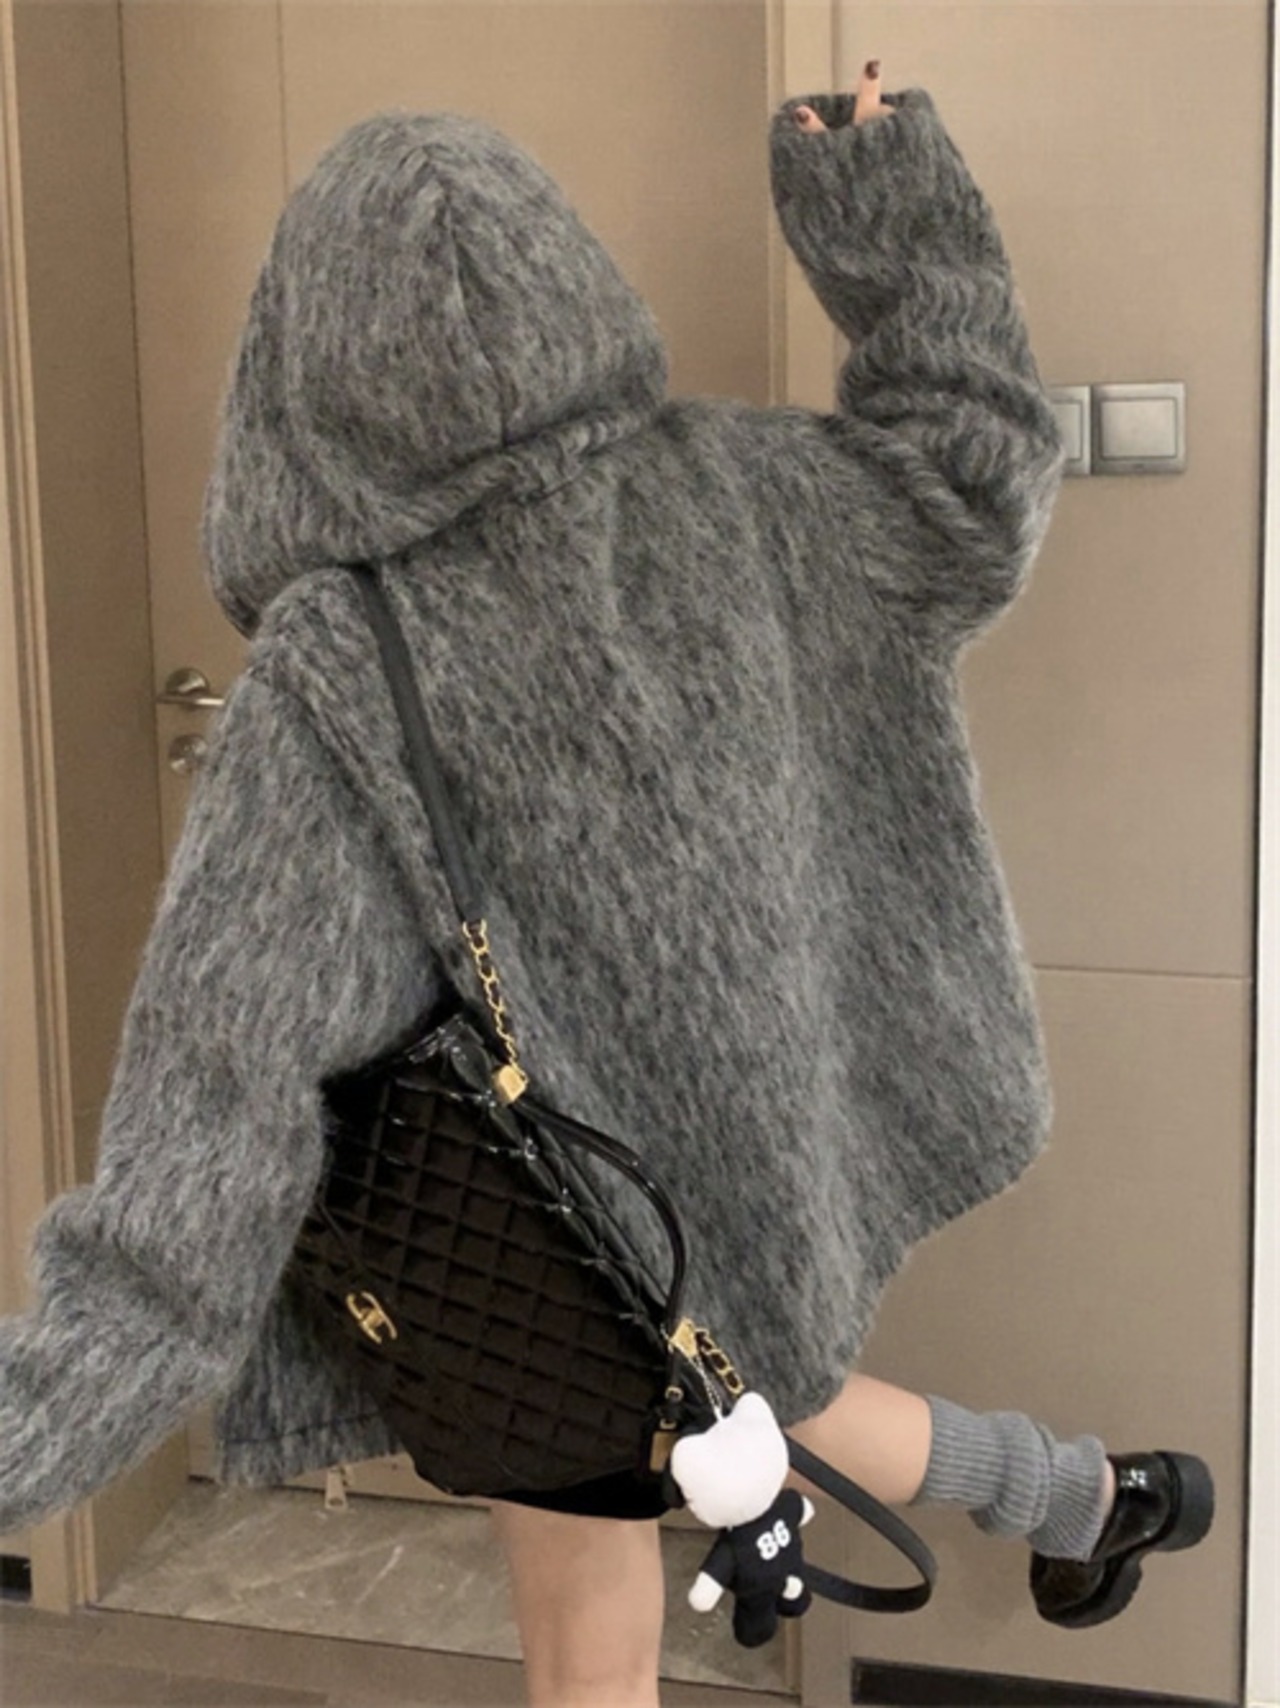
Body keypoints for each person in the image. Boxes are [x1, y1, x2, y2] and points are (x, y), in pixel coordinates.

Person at [0, 54, 1212, 1708]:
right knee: (756, 1376)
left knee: (606, 1615)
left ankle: (1084, 1494)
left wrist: (32, 1427)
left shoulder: (339, 663)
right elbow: (972, 461)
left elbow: (209, 1129)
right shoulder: (767, 496)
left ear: (297, 368)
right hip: (759, 1174)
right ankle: (1092, 1496)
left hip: (549, 1236)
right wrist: (882, 208)